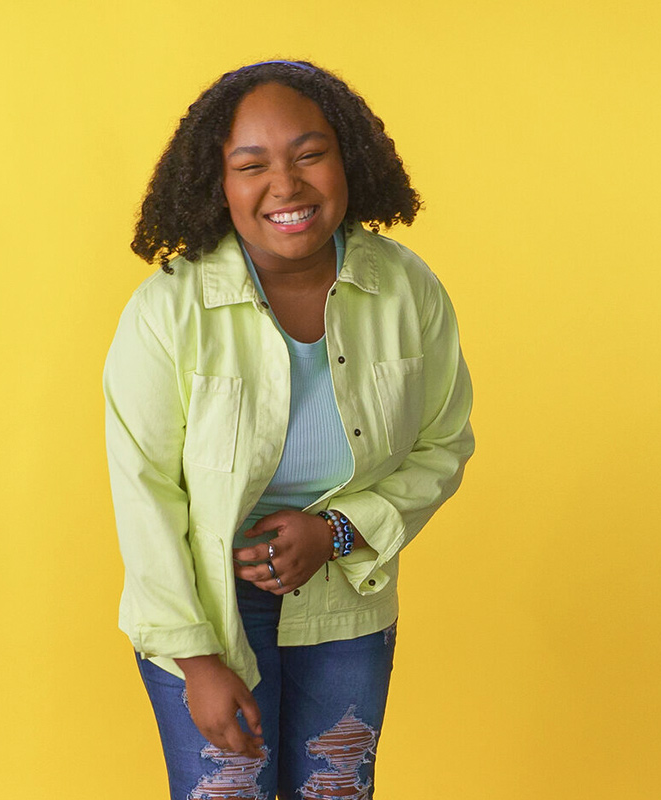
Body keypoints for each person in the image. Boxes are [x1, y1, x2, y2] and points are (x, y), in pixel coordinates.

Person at [104, 59, 474, 800]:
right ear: (217, 183)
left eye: (310, 155)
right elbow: (145, 494)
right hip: (207, 610)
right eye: (252, 166)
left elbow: (444, 444)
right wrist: (197, 660)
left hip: (346, 598)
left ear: (348, 159)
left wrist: (337, 531)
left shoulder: (409, 290)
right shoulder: (167, 311)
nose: (286, 185)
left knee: (337, 789)